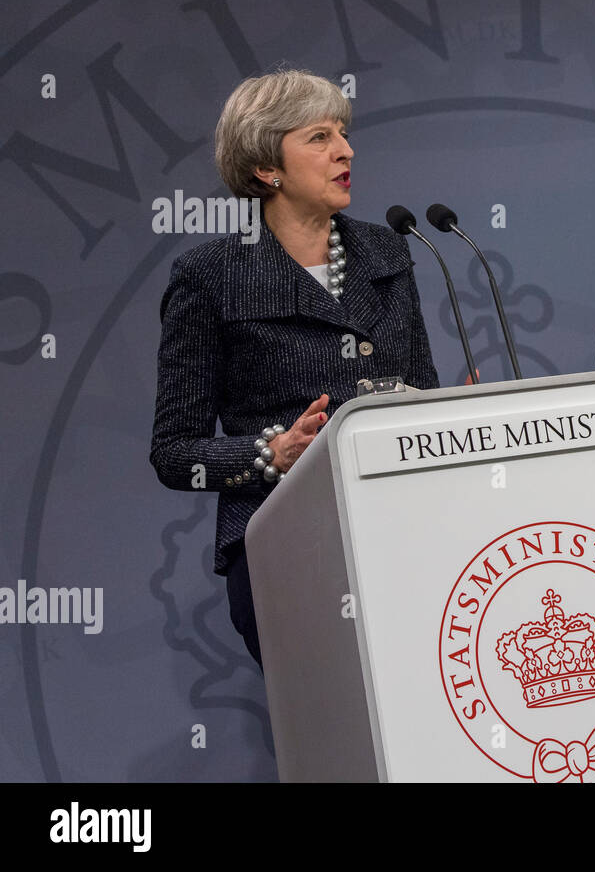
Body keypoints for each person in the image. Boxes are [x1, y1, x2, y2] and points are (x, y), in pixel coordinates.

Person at [149, 69, 439, 668]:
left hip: (403, 537)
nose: (345, 150)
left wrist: (446, 414)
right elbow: (174, 454)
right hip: (285, 543)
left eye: (343, 132)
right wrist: (268, 455)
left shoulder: (389, 251)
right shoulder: (210, 278)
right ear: (265, 167)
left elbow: (423, 395)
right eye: (319, 137)